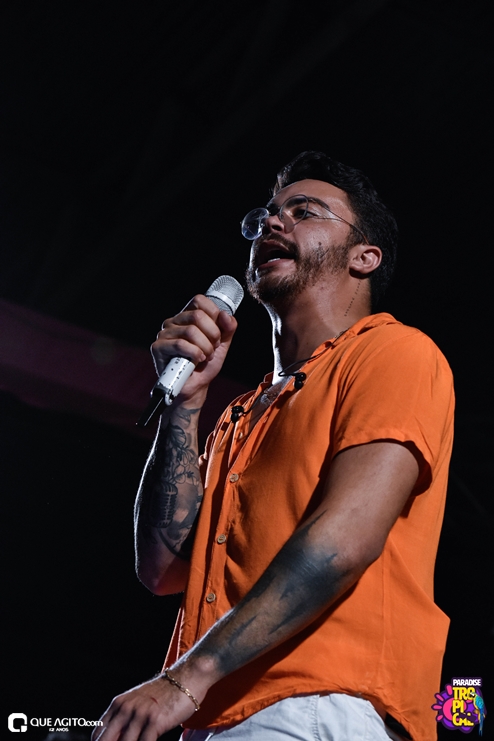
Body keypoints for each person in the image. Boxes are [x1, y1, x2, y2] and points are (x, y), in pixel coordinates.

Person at [93, 152, 454, 741]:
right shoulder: (241, 414)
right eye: (264, 215)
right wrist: (185, 405)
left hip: (317, 703)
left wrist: (188, 677)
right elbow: (160, 568)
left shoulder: (392, 353)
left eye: (303, 211)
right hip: (212, 713)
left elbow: (344, 540)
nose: (271, 222)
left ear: (364, 257)